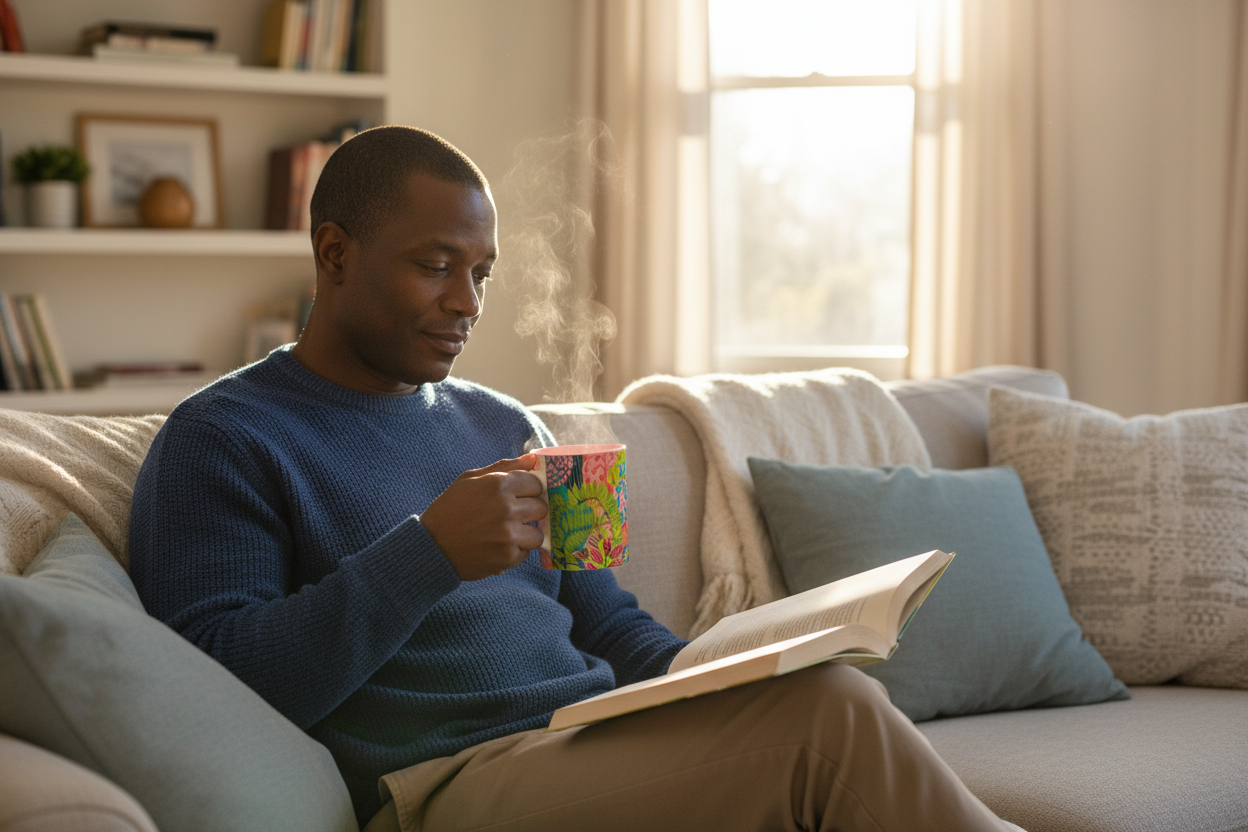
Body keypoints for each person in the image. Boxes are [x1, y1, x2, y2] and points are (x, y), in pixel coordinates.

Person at [129, 125, 1021, 832]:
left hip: (591, 736)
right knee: (828, 721)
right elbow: (220, 685)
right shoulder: (225, 438)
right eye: (435, 266)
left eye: (480, 274)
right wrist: (429, 554)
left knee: (821, 693)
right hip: (440, 786)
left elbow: (606, 620)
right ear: (334, 252)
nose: (468, 303)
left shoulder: (508, 425)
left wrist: (718, 676)